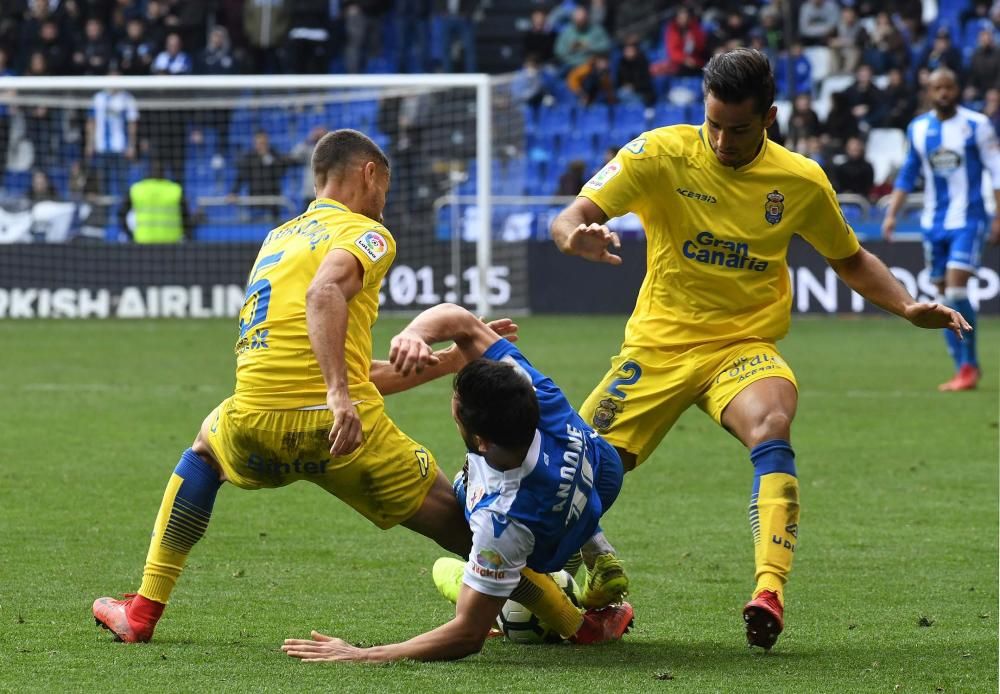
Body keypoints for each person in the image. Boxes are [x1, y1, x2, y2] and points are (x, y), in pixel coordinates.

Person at [92, 130, 612, 646]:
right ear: (368, 174)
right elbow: (324, 295)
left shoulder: (276, 239)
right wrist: (338, 396)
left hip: (253, 423)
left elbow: (340, 357)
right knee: (475, 533)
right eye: (384, 187)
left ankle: (142, 609)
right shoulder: (368, 234)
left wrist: (450, 361)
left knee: (204, 452)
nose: (384, 204)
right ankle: (575, 624)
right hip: (347, 432)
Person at [549, 48, 971, 651]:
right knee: (574, 476)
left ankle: (768, 589)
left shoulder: (799, 180)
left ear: (768, 117)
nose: (721, 140)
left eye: (738, 127)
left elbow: (848, 258)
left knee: (772, 425)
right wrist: (575, 239)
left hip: (743, 346)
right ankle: (561, 586)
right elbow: (573, 214)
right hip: (657, 348)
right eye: (713, 122)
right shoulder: (659, 152)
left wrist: (905, 306)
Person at [282, 303, 634, 663]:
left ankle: (567, 618)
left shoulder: (501, 521)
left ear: (481, 441)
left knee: (460, 549)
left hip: (548, 544)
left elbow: (467, 634)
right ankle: (598, 550)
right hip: (601, 477)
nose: (452, 408)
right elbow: (459, 320)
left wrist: (363, 654)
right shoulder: (535, 391)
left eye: (456, 409)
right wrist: (414, 335)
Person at [882, 68, 1000, 392]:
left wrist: (998, 216)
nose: (944, 93)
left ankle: (969, 366)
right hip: (933, 224)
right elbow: (907, 174)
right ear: (929, 92)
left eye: (949, 87)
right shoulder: (918, 128)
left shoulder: (976, 125)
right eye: (938, 88)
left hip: (969, 219)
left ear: (957, 89)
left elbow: (996, 169)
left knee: (956, 291)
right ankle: (960, 366)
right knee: (942, 298)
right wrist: (892, 214)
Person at [85, 63, 139, 198]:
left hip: (121, 148)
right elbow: (91, 122)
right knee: (103, 185)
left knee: (123, 186)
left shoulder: (127, 98)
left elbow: (132, 124)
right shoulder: (98, 98)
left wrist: (132, 146)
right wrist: (89, 144)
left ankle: (123, 216)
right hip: (101, 148)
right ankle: (105, 216)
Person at [120, 161, 191, 243]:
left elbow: (121, 214)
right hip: (171, 244)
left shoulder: (136, 189)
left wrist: (130, 235)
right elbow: (186, 219)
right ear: (164, 172)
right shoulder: (175, 190)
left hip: (143, 243)